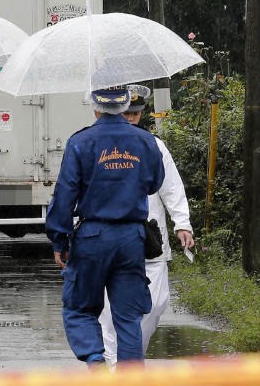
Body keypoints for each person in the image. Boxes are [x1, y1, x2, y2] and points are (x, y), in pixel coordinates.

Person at [46, 85, 165, 368]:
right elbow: (154, 183)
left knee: (80, 307)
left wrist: (59, 241)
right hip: (130, 238)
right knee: (128, 317)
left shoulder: (80, 142)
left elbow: (65, 195)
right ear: (126, 106)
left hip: (92, 237)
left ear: (95, 107)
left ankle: (96, 361)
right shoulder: (145, 141)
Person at [98, 85, 194, 365]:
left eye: (135, 114)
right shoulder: (96, 143)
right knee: (108, 311)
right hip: (109, 238)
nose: (130, 119)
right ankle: (117, 367)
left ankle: (131, 358)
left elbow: (171, 187)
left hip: (149, 241)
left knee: (157, 302)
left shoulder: (153, 145)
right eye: (126, 113)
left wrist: (182, 223)